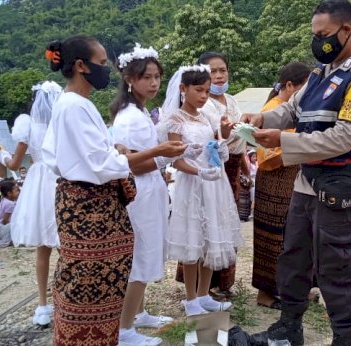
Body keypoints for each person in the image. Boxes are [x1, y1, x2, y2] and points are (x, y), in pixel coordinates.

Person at [241, 1, 351, 344]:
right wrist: (260, 119)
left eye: (323, 35)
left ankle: (344, 337)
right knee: (293, 257)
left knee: (336, 265)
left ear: (346, 31)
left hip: (338, 183)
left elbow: (343, 137)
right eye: (314, 36)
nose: (318, 42)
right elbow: (292, 111)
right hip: (307, 182)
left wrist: (281, 142)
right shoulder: (319, 74)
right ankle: (289, 326)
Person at [40, 35, 187, 345]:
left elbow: (99, 153)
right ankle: (107, 332)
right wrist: (152, 152)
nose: (106, 70)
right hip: (88, 201)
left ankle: (110, 330)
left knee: (107, 272)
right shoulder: (72, 107)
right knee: (92, 276)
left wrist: (117, 150)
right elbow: (102, 164)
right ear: (81, 66)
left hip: (94, 198)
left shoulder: (79, 104)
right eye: (102, 64)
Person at [110, 44, 196, 345]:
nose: (154, 82)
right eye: (146, 77)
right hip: (139, 192)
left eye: (157, 76)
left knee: (147, 252)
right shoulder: (128, 118)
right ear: (130, 79)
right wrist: (165, 156)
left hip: (150, 188)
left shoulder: (139, 111)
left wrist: (165, 156)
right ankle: (124, 330)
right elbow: (131, 162)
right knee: (141, 256)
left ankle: (139, 312)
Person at [160, 64, 242, 317]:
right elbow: (176, 159)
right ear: (183, 89)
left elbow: (217, 142)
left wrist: (222, 141)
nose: (204, 96)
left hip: (213, 183)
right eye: (199, 90)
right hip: (193, 183)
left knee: (211, 238)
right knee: (193, 240)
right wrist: (198, 171)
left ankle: (205, 293)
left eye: (207, 91)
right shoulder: (175, 120)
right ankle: (191, 297)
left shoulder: (206, 117)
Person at [0, 81, 62, 327]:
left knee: (42, 248)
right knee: (64, 246)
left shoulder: (27, 124)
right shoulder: (61, 125)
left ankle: (42, 305)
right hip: (60, 180)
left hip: (38, 183)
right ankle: (66, 300)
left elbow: (14, 164)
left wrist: (1, 154)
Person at [252, 61, 310, 310]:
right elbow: (266, 156)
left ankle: (289, 289)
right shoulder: (273, 109)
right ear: (289, 86)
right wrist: (297, 146)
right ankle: (266, 293)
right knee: (272, 237)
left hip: (290, 181)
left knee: (291, 237)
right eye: (304, 88)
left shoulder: (294, 109)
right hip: (274, 182)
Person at [190, 51, 243, 297]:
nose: (220, 76)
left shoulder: (231, 101)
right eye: (213, 72)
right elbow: (209, 138)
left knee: (225, 224)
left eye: (223, 70)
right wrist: (223, 134)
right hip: (211, 168)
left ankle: (222, 282)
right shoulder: (202, 104)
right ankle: (202, 287)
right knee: (205, 224)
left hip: (231, 167)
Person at [0, 180, 18, 248]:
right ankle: (2, 242)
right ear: (9, 193)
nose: (18, 193)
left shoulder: (4, 199)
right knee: (16, 224)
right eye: (16, 191)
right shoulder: (9, 204)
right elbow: (5, 221)